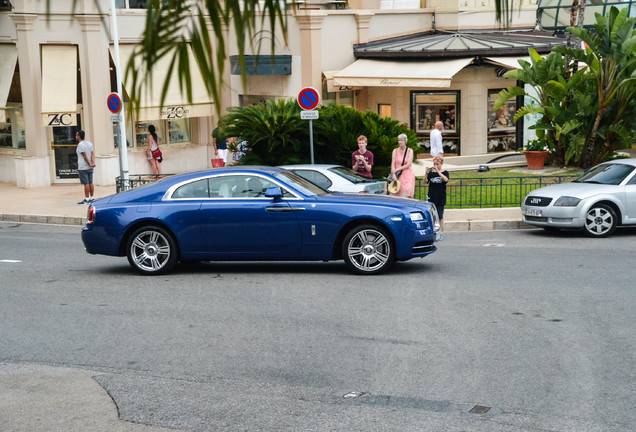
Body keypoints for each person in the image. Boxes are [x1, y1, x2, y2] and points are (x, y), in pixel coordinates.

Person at [425, 156, 449, 238]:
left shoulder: (445, 172)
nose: (435, 165)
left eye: (437, 164)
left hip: (441, 197)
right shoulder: (431, 174)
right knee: (431, 216)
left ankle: (440, 232)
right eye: (434, 164)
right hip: (432, 197)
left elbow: (446, 180)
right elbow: (425, 182)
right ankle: (433, 232)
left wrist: (438, 172)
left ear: (441, 164)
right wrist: (426, 173)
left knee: (440, 215)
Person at [389, 133, 415, 198]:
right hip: (398, 174)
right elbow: (393, 163)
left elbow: (408, 164)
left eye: (401, 140)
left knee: (407, 192)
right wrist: (394, 174)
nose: (400, 142)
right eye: (399, 140)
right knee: (396, 192)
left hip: (407, 174)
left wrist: (397, 169)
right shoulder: (395, 151)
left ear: (405, 141)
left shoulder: (410, 151)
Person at [76, 130, 95, 205]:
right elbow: (92, 154)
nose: (76, 137)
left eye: (76, 135)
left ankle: (87, 199)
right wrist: (92, 163)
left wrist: (89, 164)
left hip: (83, 167)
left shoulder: (80, 145)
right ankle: (92, 197)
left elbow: (84, 156)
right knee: (91, 182)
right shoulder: (89, 143)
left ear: (79, 136)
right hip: (90, 167)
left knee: (86, 183)